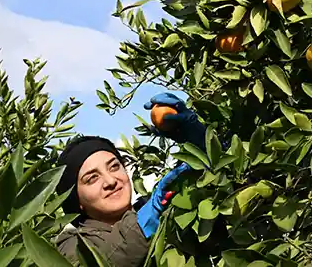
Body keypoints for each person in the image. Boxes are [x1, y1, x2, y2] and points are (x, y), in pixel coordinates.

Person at [54, 93, 206, 266]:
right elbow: (103, 261)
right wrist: (144, 222)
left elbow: (217, 178)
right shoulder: (69, 245)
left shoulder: (158, 210)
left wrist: (198, 142)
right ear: (77, 199)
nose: (110, 181)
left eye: (114, 166)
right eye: (92, 178)